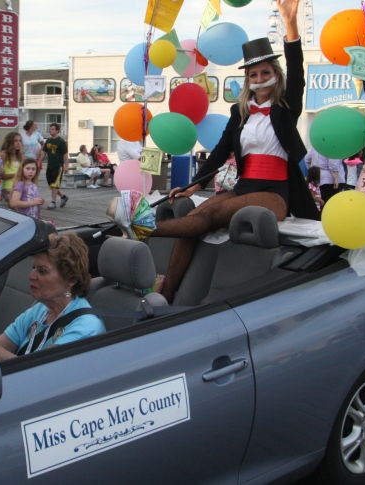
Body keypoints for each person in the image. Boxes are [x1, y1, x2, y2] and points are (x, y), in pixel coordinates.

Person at [130, 0, 317, 303]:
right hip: (245, 186)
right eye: (253, 75)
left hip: (275, 192)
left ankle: (143, 227)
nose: (259, 79)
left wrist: (291, 26)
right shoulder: (240, 112)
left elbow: (298, 71)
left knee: (213, 213)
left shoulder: (286, 108)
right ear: (248, 80)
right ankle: (168, 293)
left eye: (264, 72)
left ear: (276, 75)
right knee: (196, 214)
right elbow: (219, 152)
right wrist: (195, 183)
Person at [0, 233, 105, 360]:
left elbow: (34, 373)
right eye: (33, 268)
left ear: (71, 279)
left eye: (42, 271)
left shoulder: (85, 328)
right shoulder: (41, 310)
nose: (31, 275)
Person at [43, 123, 69, 209]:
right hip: (49, 166)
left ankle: (53, 202)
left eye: (53, 129)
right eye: (50, 129)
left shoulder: (61, 141)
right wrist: (38, 161)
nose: (51, 130)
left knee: (55, 184)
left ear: (57, 130)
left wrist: (66, 165)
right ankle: (63, 197)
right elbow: (44, 152)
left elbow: (65, 154)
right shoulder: (48, 141)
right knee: (51, 185)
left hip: (58, 166)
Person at [0, 131, 23, 204]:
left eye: (20, 141)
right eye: (15, 141)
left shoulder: (19, 156)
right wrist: (17, 174)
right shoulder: (3, 154)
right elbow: (1, 175)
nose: (18, 143)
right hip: (7, 189)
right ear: (9, 142)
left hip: (19, 187)